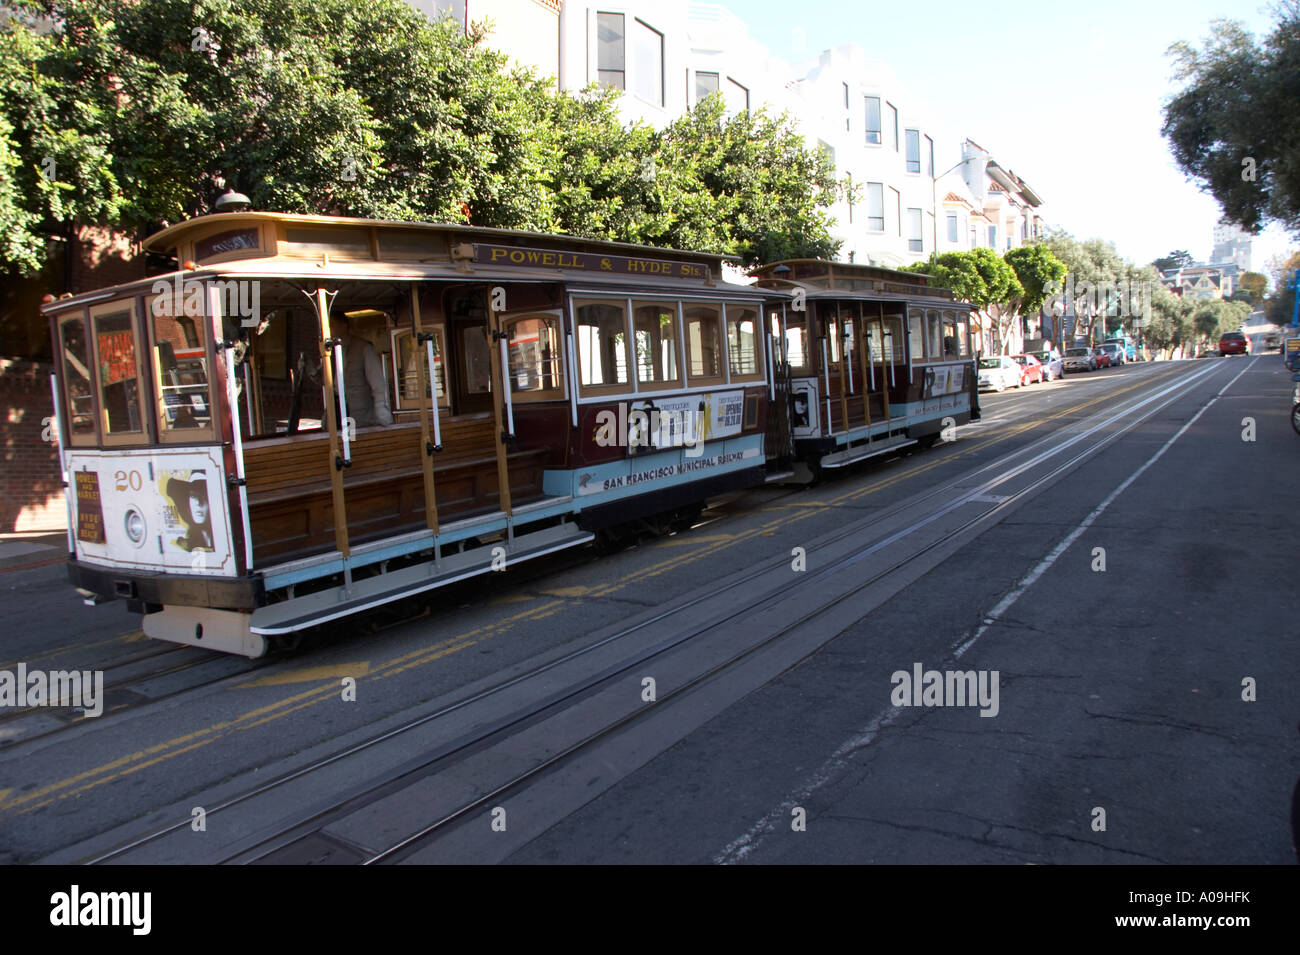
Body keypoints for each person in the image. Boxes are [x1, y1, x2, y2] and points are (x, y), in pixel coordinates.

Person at [333, 314, 393, 428]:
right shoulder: (331, 351)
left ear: (343, 326)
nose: (329, 330)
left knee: (356, 442)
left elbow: (377, 383)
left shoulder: (363, 348)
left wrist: (381, 410)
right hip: (340, 415)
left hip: (362, 417)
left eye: (331, 325)